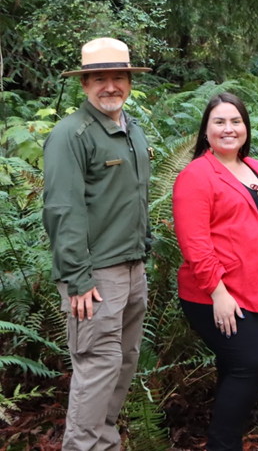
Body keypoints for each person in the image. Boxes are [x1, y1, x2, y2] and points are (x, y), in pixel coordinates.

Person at [43, 37, 153, 451]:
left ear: (129, 82)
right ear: (85, 84)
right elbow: (62, 209)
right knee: (98, 366)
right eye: (100, 78)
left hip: (132, 267)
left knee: (123, 363)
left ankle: (105, 443)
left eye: (118, 77)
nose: (111, 86)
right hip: (94, 276)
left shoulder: (131, 130)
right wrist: (77, 277)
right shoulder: (71, 134)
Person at [173, 93, 258, 451]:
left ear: (245, 127)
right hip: (220, 295)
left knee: (235, 368)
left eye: (235, 121)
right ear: (206, 130)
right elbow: (195, 245)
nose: (228, 129)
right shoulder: (196, 175)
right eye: (219, 122)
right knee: (251, 364)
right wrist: (219, 294)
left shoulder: (255, 167)